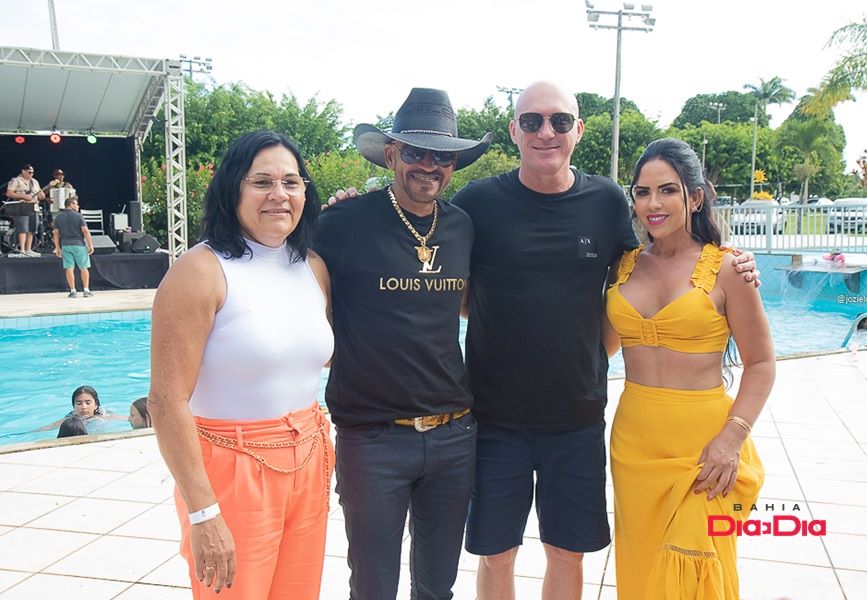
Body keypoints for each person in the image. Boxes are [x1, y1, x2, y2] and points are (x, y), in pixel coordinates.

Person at [449, 82, 758, 600]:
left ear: (579, 130)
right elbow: (442, 280)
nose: (546, 132)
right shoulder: (478, 202)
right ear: (513, 131)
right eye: (531, 121)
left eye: (560, 121)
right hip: (492, 416)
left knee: (567, 552)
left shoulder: (605, 201)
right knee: (496, 552)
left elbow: (637, 277)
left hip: (575, 418)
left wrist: (729, 255)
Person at [314, 88, 491, 600]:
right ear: (391, 153)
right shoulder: (342, 223)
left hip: (453, 434)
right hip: (372, 438)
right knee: (373, 587)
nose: (428, 166)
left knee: (438, 588)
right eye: (415, 152)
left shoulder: (462, 227)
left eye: (441, 156)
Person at [149, 130, 334, 599]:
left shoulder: (312, 266)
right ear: (233, 189)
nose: (279, 195)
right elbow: (167, 400)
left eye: (291, 183)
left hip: (308, 459)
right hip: (232, 470)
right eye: (262, 182)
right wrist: (202, 511)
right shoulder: (199, 271)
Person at [604, 138, 773, 599]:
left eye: (668, 190)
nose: (653, 204)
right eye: (642, 192)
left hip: (705, 449)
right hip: (634, 444)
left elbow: (761, 362)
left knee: (698, 573)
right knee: (642, 574)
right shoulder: (622, 267)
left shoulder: (727, 269)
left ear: (695, 197)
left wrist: (731, 439)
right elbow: (598, 348)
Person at [53, 197, 95, 298]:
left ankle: (72, 290)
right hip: (79, 244)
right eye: (76, 204)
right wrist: (90, 244)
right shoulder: (79, 216)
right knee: (83, 267)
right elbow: (85, 231)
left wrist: (57, 248)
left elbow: (55, 233)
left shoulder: (58, 217)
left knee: (69, 268)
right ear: (71, 204)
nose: (78, 206)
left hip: (66, 245)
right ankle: (86, 290)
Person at [5, 163, 44, 256]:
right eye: (29, 172)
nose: (31, 174)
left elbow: (40, 193)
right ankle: (21, 249)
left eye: (32, 172)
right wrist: (23, 196)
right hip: (22, 207)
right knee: (23, 228)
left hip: (34, 207)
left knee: (32, 228)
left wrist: (41, 195)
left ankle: (28, 249)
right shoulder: (16, 181)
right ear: (23, 171)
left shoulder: (35, 182)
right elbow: (9, 193)